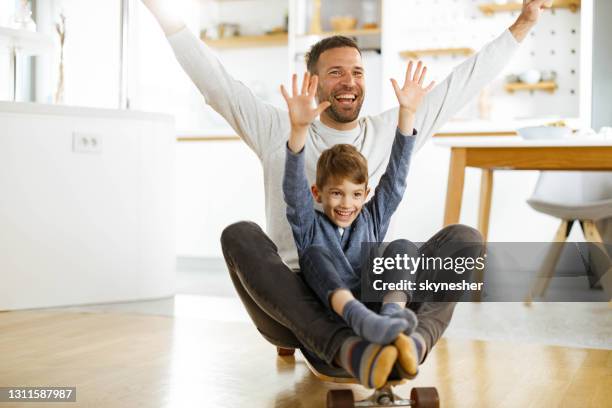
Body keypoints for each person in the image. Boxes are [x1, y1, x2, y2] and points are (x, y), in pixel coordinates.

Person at [141, 0, 547, 385]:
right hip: (294, 301)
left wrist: (524, 23)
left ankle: (409, 343)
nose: (349, 80)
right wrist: (160, 11)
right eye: (336, 72)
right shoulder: (278, 128)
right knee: (239, 234)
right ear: (315, 82)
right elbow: (214, 82)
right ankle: (342, 348)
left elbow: (462, 83)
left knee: (465, 240)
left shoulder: (388, 130)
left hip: (370, 294)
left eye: (357, 71)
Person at [281, 64, 434, 387]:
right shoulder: (309, 224)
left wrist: (407, 114)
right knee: (313, 256)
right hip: (337, 309)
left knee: (403, 247)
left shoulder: (371, 217)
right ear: (318, 194)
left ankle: (391, 320)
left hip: (376, 303)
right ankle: (361, 319)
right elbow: (293, 189)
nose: (346, 204)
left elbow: (396, 179)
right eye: (336, 194)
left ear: (366, 195)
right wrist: (298, 130)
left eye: (354, 194)